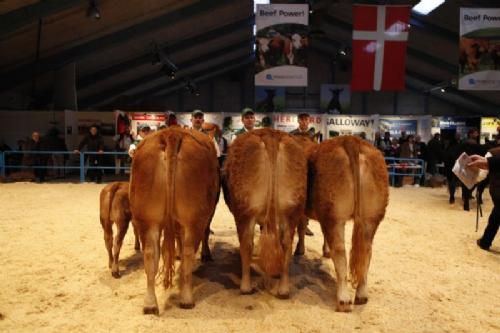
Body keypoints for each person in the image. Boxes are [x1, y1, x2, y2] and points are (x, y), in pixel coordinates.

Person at [289, 112, 316, 236]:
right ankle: (292, 223)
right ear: (298, 121)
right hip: (294, 170)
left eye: (306, 119)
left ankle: (305, 225)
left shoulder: (313, 135)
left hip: (308, 169)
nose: (304, 122)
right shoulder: (292, 134)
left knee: (308, 198)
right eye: (302, 119)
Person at [468, 151, 500, 251]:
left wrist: (487, 162)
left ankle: (485, 241)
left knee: (496, 216)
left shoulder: (493, 151)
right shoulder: (493, 152)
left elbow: (482, 175)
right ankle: (485, 241)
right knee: (496, 216)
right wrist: (486, 161)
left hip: (497, 189)